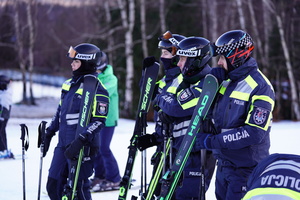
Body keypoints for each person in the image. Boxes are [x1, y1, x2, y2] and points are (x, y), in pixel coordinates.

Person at [195, 30, 275, 200]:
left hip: (246, 169)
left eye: (222, 58)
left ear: (236, 56)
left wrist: (212, 141)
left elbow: (254, 132)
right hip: (224, 166)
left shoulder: (260, 86)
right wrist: (212, 89)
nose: (220, 63)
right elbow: (211, 117)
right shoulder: (226, 82)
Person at [43, 43, 109, 200]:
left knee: (77, 188)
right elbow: (60, 112)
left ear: (87, 63)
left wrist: (82, 139)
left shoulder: (99, 89)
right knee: (54, 184)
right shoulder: (68, 85)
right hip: (63, 144)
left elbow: (99, 121)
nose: (72, 64)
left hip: (83, 146)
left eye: (76, 61)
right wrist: (50, 132)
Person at [154, 36, 215, 199]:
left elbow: (175, 107)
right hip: (177, 151)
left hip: (196, 154)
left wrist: (161, 98)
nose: (178, 63)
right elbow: (169, 102)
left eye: (182, 58)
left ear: (195, 60)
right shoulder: (185, 81)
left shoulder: (206, 83)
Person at [136, 32, 186, 198]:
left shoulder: (183, 79)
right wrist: (146, 75)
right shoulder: (165, 80)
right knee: (156, 192)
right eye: (162, 53)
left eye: (166, 53)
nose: (162, 57)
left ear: (177, 54)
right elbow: (148, 93)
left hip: (177, 148)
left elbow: (175, 110)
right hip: (162, 145)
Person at [90, 51, 121, 192]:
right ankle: (100, 176)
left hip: (108, 119)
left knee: (104, 148)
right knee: (96, 148)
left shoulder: (111, 78)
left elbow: (101, 91)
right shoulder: (95, 76)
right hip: (97, 118)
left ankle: (114, 178)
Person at [0, 75, 14, 159]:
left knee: (0, 131)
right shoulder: (4, 92)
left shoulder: (6, 93)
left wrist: (1, 117)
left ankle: (3, 150)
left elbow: (5, 106)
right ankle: (3, 149)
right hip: (3, 114)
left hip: (3, 114)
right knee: (2, 131)